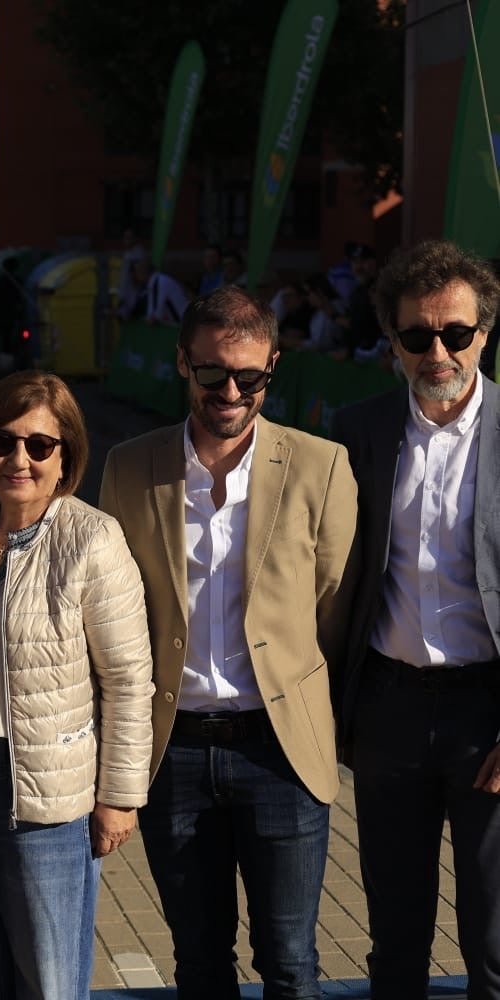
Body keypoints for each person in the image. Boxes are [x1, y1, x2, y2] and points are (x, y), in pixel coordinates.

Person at [98, 286, 359, 999]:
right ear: (183, 363)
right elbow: (111, 610)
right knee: (199, 961)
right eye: (213, 373)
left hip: (280, 750)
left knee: (291, 963)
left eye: (251, 376)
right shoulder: (129, 466)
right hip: (172, 751)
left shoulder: (320, 465)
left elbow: (332, 606)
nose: (231, 391)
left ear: (273, 367)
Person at [0, 371, 154, 999]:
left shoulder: (91, 539)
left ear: (65, 457)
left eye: (40, 446)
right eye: (2, 441)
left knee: (48, 979)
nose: (18, 459)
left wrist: (119, 795)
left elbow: (127, 680)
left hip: (39, 785)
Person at [330, 239, 500, 999]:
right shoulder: (357, 431)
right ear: (392, 341)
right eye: (417, 336)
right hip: (389, 708)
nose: (437, 351)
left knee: (494, 941)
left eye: (455, 333)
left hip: (488, 714)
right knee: (394, 938)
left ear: (484, 335)